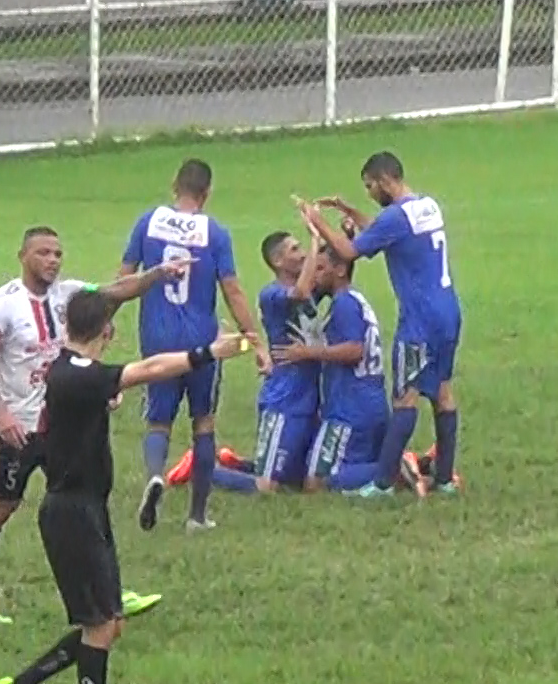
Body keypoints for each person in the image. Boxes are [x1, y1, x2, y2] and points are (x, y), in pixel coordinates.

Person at [0, 290, 251, 684]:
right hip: (72, 514)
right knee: (102, 624)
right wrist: (208, 352)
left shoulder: (70, 372)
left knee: (108, 624)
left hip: (85, 510)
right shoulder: (79, 375)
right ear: (107, 330)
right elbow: (147, 370)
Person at [0, 226, 188, 626]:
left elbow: (118, 290)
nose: (53, 260)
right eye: (44, 253)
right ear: (23, 256)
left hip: (60, 425)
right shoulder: (3, 305)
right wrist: (3, 411)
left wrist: (158, 274)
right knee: (1, 505)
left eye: (58, 254)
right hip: (17, 428)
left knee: (89, 498)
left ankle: (112, 592)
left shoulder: (71, 295)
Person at [117, 158, 270, 533]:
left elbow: (124, 278)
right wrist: (253, 339)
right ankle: (197, 516)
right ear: (207, 192)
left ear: (175, 186)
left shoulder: (148, 222)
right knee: (203, 422)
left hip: (157, 338)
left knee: (158, 420)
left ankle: (156, 475)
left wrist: (102, 319)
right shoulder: (215, 232)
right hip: (202, 340)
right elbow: (231, 289)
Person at [299, 152, 464, 498]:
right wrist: (348, 212)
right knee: (443, 391)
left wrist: (318, 222)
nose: (370, 193)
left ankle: (383, 483)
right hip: (448, 311)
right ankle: (446, 479)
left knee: (406, 396)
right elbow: (382, 229)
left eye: (371, 186)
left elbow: (348, 251)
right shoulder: (425, 205)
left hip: (419, 318)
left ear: (385, 180)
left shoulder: (395, 218)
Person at [169, 226, 326, 495]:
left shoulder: (306, 291)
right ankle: (200, 468)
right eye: (294, 250)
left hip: (309, 394)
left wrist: (344, 235)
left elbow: (329, 273)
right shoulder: (273, 294)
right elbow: (300, 292)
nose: (302, 255)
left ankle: (232, 462)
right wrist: (314, 241)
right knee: (267, 487)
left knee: (294, 477)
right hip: (285, 398)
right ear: (277, 261)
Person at [287, 246, 393, 493]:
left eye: (321, 269)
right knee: (353, 465)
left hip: (350, 408)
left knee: (317, 483)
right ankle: (399, 466)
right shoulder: (355, 299)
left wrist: (307, 352)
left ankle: (396, 465)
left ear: (341, 270)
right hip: (369, 400)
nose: (314, 275)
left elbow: (355, 350)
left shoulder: (344, 303)